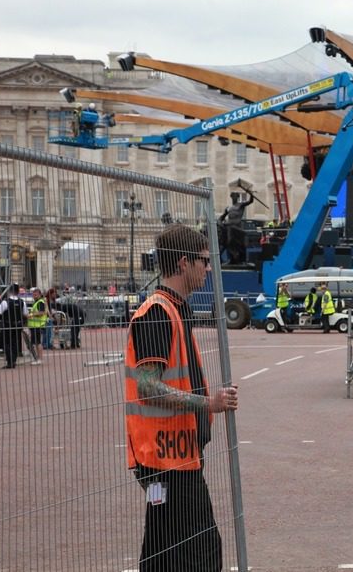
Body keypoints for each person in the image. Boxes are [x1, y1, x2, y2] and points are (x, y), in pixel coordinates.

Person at [125, 224, 239, 572]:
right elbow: (148, 386)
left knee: (165, 551)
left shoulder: (175, 308)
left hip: (176, 453)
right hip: (166, 458)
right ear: (184, 263)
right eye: (205, 261)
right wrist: (209, 403)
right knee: (200, 551)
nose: (209, 268)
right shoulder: (157, 312)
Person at [0, 284, 26, 369]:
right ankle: (13, 361)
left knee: (5, 343)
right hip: (18, 325)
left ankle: (10, 362)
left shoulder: (6, 302)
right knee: (15, 343)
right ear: (17, 292)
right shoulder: (22, 302)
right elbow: (25, 314)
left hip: (8, 325)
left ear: (10, 291)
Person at [218, 190, 254, 265]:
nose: (234, 198)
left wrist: (251, 194)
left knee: (234, 242)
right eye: (232, 196)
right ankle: (232, 259)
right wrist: (221, 222)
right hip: (229, 227)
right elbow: (222, 217)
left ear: (237, 197)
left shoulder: (240, 205)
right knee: (228, 243)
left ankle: (239, 259)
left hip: (237, 228)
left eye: (235, 196)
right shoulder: (229, 208)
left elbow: (250, 201)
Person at [26, 287, 48, 364]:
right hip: (34, 325)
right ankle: (37, 358)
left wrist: (31, 314)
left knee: (38, 342)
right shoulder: (37, 302)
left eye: (36, 295)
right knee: (36, 342)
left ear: (39, 294)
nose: (34, 296)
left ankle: (39, 359)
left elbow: (41, 312)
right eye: (33, 294)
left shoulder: (40, 302)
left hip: (38, 325)